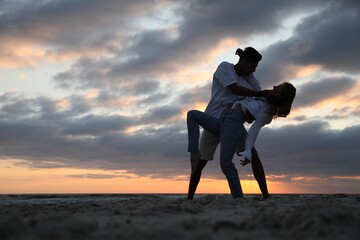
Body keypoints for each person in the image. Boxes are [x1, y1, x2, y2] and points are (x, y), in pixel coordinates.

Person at [187, 47, 276, 199]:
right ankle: (189, 198)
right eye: (252, 66)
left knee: (253, 155)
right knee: (199, 163)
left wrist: (276, 98)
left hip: (233, 123)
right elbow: (234, 89)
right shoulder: (225, 67)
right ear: (244, 61)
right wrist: (260, 93)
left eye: (256, 67)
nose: (253, 70)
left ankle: (266, 196)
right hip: (213, 119)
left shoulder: (250, 80)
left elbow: (262, 98)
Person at [236, 82, 296, 166]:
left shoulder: (267, 113)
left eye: (278, 87)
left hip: (232, 119)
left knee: (226, 161)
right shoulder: (264, 97)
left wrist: (248, 151)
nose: (273, 86)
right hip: (227, 112)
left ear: (280, 94)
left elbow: (254, 130)